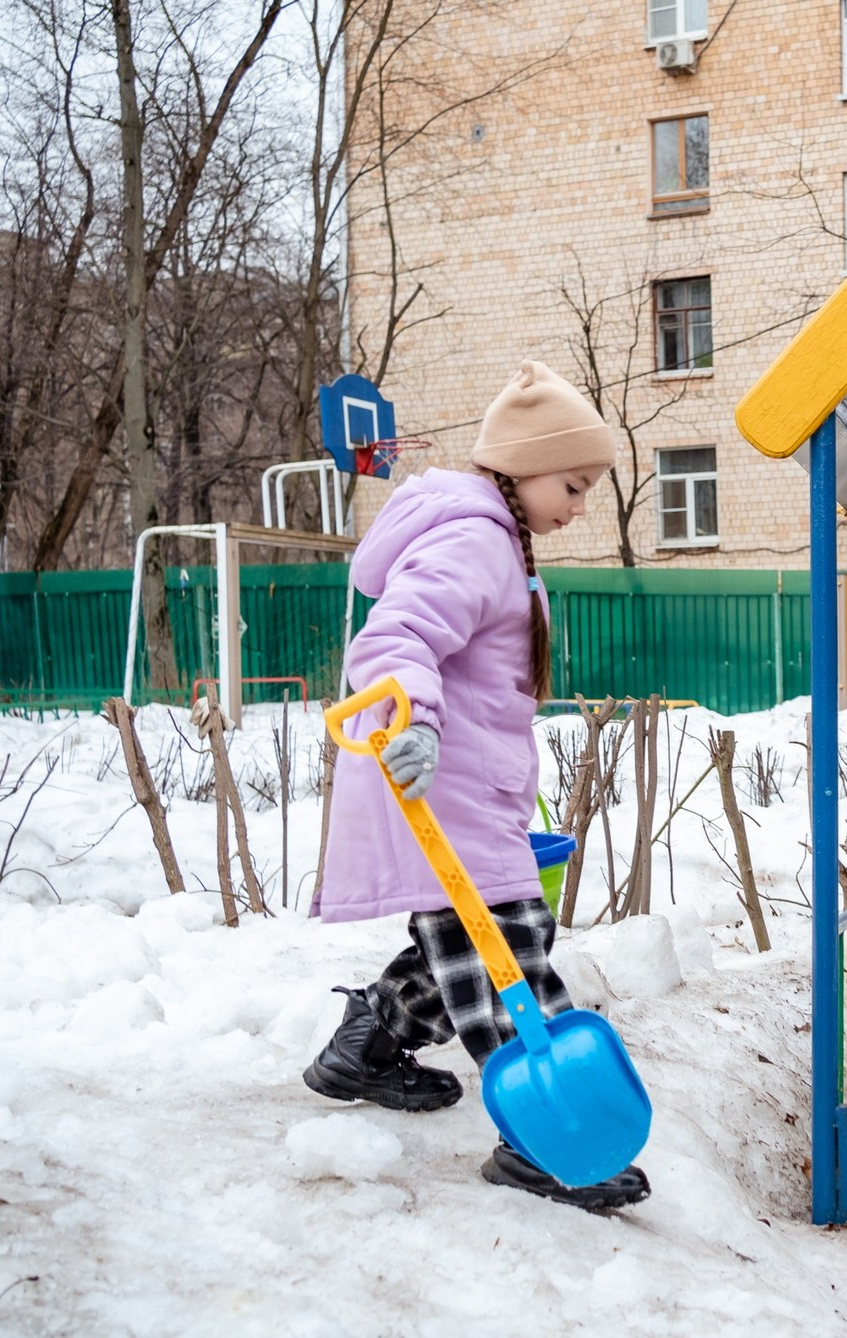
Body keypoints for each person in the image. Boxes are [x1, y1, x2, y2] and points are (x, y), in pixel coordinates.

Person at [303, 360, 649, 1211]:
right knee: (505, 948)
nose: (577, 505)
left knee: (470, 935)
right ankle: (543, 1141)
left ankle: (367, 1043)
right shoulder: (475, 537)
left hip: (470, 787)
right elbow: (396, 637)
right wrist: (414, 718)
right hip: (437, 781)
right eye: (571, 484)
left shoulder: (501, 539)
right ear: (521, 468)